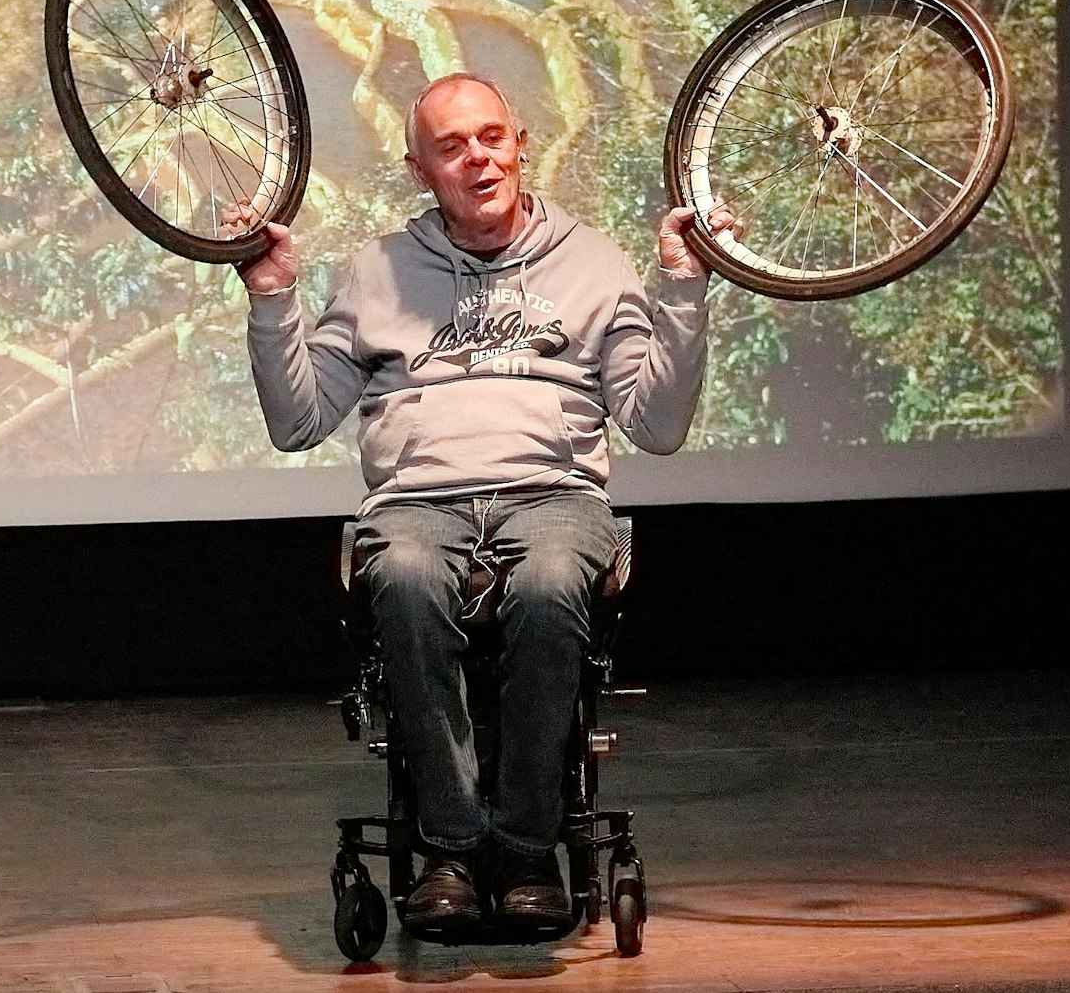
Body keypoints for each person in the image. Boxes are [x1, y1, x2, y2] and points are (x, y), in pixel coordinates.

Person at [237, 72, 733, 937]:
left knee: (547, 586)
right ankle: (456, 848)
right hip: (420, 498)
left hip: (554, 492)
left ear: (520, 142)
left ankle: (530, 847)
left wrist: (682, 289)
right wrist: (272, 296)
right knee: (410, 575)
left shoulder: (592, 261)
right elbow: (298, 419)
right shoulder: (379, 270)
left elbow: (655, 425)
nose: (480, 157)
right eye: (453, 146)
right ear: (420, 169)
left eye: (492, 137)